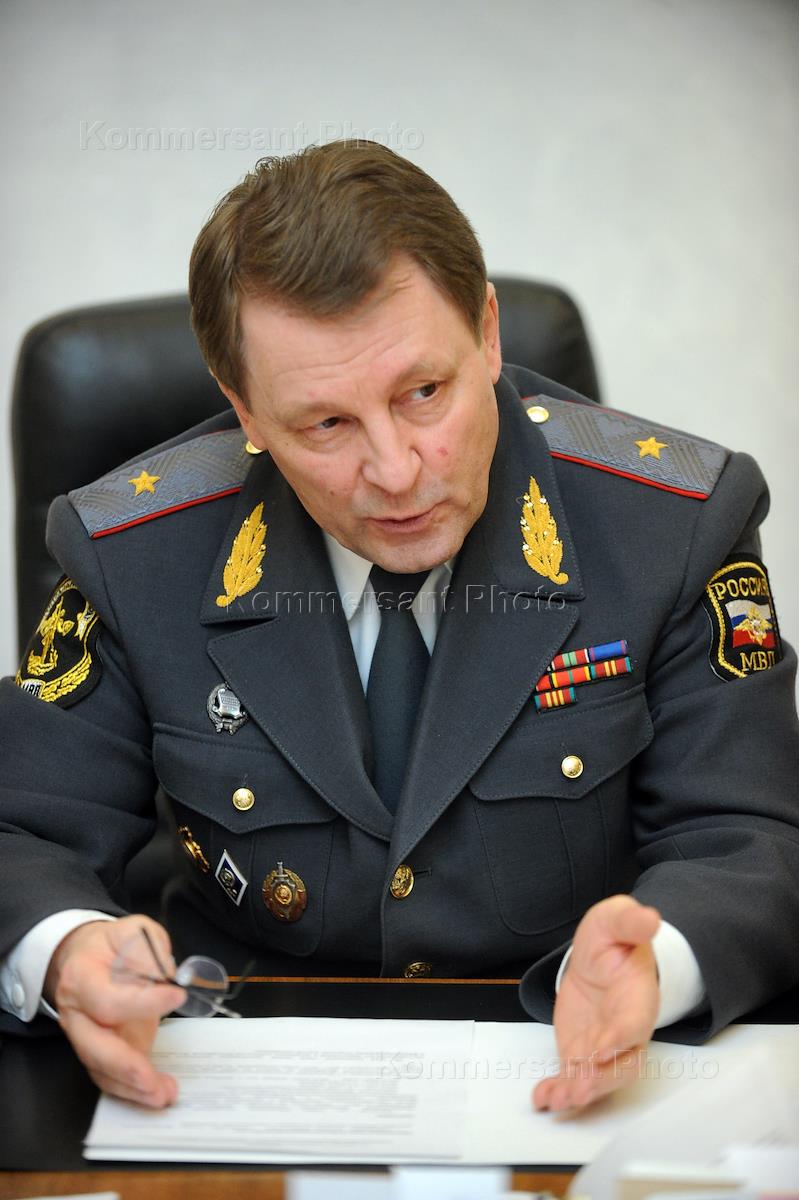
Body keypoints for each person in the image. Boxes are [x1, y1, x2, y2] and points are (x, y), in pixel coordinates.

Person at [1, 140, 798, 1116]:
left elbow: (750, 837)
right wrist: (66, 948)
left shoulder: (670, 525)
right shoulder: (136, 550)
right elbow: (20, 829)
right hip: (231, 1081)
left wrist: (657, 962)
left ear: (487, 335)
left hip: (565, 1066)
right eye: (325, 425)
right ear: (243, 406)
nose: (394, 470)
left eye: (423, 393)